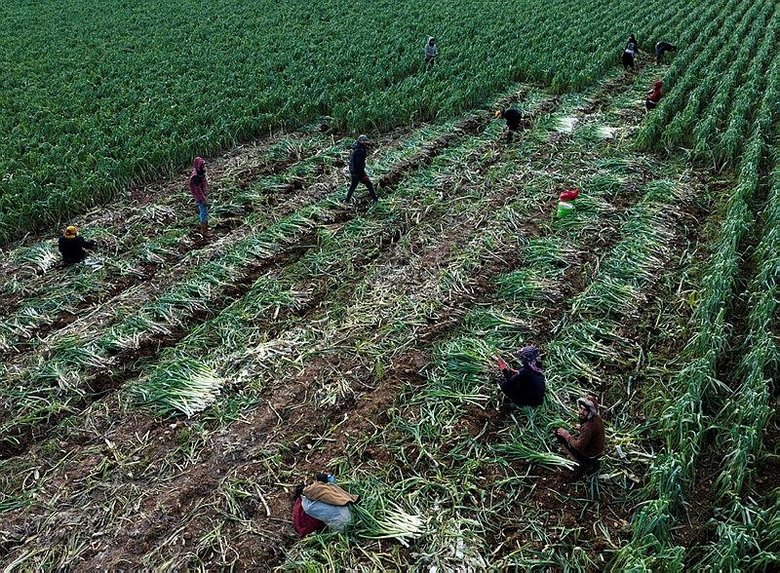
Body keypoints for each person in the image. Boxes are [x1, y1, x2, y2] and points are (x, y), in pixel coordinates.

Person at [293, 472, 359, 536]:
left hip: (344, 525)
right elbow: (327, 486)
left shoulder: (308, 503)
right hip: (351, 518)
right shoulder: (310, 505)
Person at [555, 396, 605, 473]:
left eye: (585, 410)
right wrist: (581, 428)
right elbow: (592, 429)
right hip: (597, 451)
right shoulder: (596, 417)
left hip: (590, 456)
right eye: (580, 408)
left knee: (559, 434)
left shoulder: (587, 428)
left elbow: (579, 446)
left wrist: (567, 436)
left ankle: (580, 463)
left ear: (590, 412)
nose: (581, 412)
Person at [346, 135, 378, 203]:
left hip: (353, 171)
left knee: (353, 186)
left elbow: (352, 162)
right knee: (369, 185)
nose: (367, 143)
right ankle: (376, 201)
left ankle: (346, 201)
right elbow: (359, 165)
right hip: (358, 172)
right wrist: (363, 175)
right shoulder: (360, 151)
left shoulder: (355, 148)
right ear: (362, 142)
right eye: (365, 142)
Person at [189, 156, 210, 236]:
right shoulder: (196, 177)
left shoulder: (200, 172)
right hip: (199, 197)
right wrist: (204, 199)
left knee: (204, 211)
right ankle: (204, 231)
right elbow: (198, 191)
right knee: (203, 212)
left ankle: (205, 228)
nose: (204, 167)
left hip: (202, 195)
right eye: (203, 165)